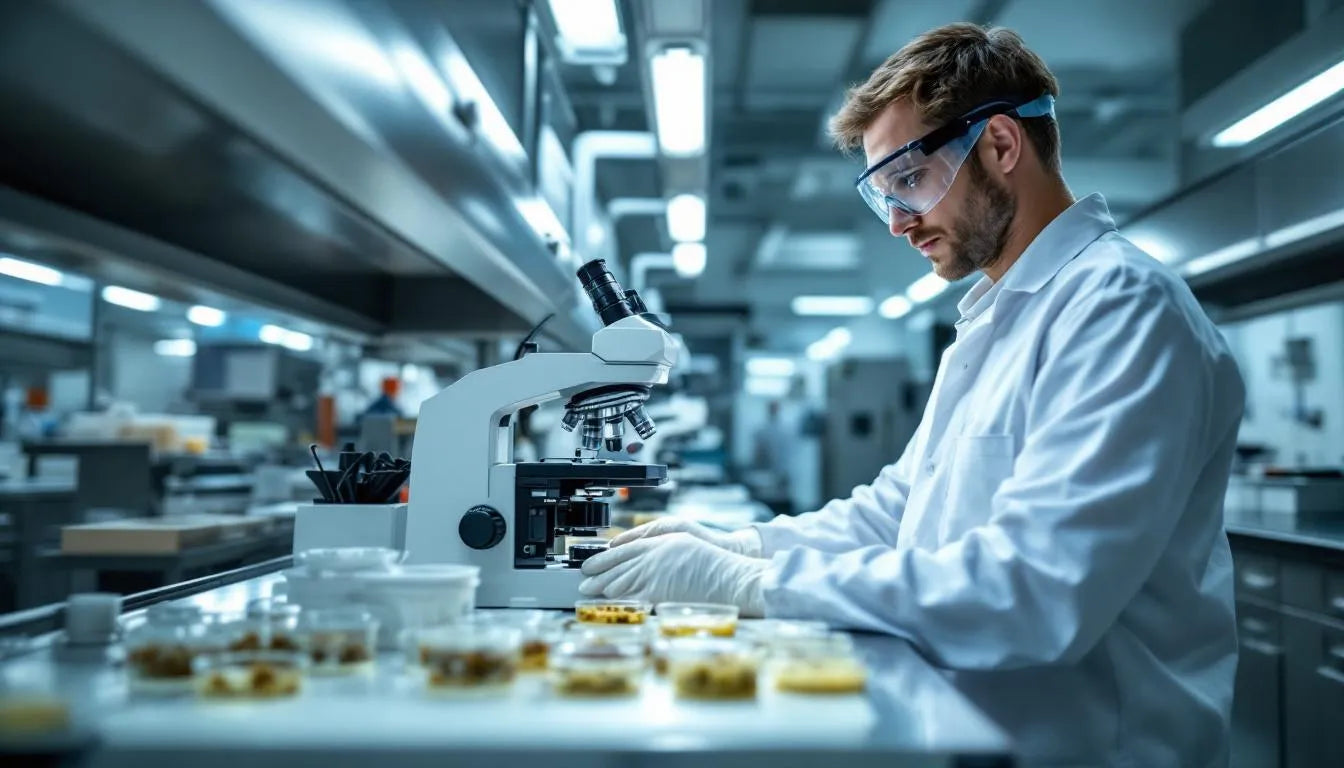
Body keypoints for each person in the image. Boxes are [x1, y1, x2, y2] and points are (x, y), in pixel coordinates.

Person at [579, 23, 1244, 767]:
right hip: (974, 731)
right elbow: (899, 511)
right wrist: (742, 544)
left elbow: (1037, 589)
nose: (897, 221)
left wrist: (755, 584)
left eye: (908, 180)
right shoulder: (997, 318)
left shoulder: (1121, 308)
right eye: (882, 193)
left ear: (999, 145)